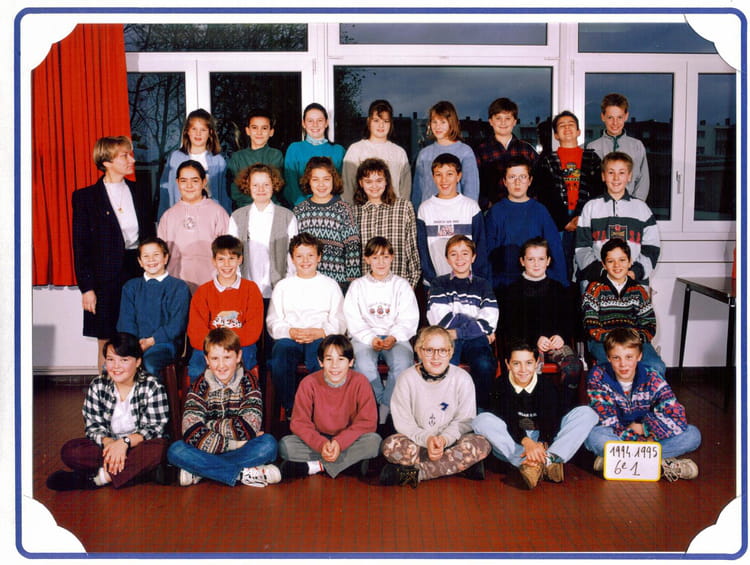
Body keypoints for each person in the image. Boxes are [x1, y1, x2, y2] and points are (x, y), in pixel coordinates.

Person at [72, 135, 156, 370]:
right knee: (106, 339)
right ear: (106, 161)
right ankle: (106, 387)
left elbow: (148, 236)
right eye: (125, 156)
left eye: (131, 154)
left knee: (135, 336)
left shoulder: (140, 191)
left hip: (136, 272)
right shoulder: (85, 197)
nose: (132, 160)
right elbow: (81, 246)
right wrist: (87, 288)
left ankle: (135, 387)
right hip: (103, 278)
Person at [46, 332, 169, 490]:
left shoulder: (152, 386)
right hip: (108, 446)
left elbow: (155, 429)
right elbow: (93, 426)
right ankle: (143, 471)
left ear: (138, 362)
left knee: (160, 449)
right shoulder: (98, 385)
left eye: (124, 360)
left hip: (139, 445)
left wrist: (124, 443)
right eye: (111, 359)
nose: (116, 366)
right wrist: (110, 443)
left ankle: (99, 478)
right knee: (70, 451)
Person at [472, 341, 598, 489]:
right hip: (514, 442)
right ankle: (537, 463)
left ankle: (546, 459)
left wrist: (541, 443)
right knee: (481, 420)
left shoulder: (546, 385)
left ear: (537, 363)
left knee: (587, 413)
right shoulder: (500, 385)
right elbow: (509, 420)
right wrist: (527, 442)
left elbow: (551, 421)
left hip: (543, 440)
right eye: (516, 363)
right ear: (507, 364)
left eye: (529, 363)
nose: (523, 369)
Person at [167, 328, 281, 487]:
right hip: (228, 447)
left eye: (227, 357)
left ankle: (200, 470)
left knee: (268, 445)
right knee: (176, 450)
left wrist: (207, 425)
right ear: (207, 360)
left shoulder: (249, 382)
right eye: (215, 358)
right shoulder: (200, 385)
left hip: (220, 449)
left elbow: (248, 428)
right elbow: (190, 430)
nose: (221, 365)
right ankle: (242, 474)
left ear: (238, 356)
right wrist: (234, 444)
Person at [379, 326, 491, 488]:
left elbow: (464, 421)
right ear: (419, 351)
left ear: (451, 352)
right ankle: (457, 465)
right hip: (418, 442)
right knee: (390, 446)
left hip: (451, 441)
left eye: (442, 351)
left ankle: (417, 473)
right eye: (429, 350)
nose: (436, 357)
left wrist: (444, 440)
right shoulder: (406, 378)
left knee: (481, 444)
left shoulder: (463, 378)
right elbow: (404, 423)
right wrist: (427, 439)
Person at [584, 328, 701, 482]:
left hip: (645, 435)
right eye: (616, 358)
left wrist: (645, 428)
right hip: (618, 434)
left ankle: (614, 460)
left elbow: (676, 415)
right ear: (608, 358)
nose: (623, 364)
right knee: (593, 436)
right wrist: (643, 443)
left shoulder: (652, 376)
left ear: (639, 356)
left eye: (629, 357)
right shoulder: (598, 377)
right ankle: (660, 463)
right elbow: (608, 422)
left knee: (692, 435)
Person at [278, 335, 382, 480]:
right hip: (319, 438)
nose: (334, 366)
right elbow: (299, 423)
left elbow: (367, 422)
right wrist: (321, 444)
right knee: (286, 445)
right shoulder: (308, 383)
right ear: (320, 362)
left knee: (374, 442)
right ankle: (349, 465)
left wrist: (339, 442)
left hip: (348, 440)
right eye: (329, 359)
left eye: (341, 359)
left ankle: (316, 466)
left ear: (351, 362)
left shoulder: (361, 382)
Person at [266, 233, 347, 416]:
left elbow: (340, 319)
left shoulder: (330, 285)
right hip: (290, 337)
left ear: (319, 257)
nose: (305, 261)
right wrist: (290, 331)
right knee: (281, 354)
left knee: (320, 357)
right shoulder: (283, 286)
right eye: (299, 256)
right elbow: (273, 320)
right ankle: (292, 408)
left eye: (310, 255)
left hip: (320, 336)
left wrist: (322, 332)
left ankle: (319, 407)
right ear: (292, 258)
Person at [500, 237, 582, 409]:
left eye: (541, 259)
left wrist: (561, 336)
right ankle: (526, 410)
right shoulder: (512, 291)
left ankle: (563, 409)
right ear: (522, 261)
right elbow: (509, 326)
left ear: (548, 261)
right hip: (524, 345)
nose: (536, 264)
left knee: (574, 366)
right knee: (527, 368)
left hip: (554, 345)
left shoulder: (559, 289)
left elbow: (569, 320)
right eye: (531, 259)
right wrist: (534, 339)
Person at [343, 237, 419, 421]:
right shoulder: (358, 286)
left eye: (385, 257)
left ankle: (385, 407)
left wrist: (394, 336)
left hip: (396, 338)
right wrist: (371, 338)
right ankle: (377, 404)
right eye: (375, 257)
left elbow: (408, 317)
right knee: (363, 364)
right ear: (367, 259)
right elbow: (353, 318)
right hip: (364, 338)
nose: (380, 262)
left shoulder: (401, 285)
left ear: (392, 257)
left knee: (403, 363)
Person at [426, 235, 498, 412]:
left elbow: (489, 318)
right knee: (446, 366)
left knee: (484, 364)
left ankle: (480, 410)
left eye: (465, 253)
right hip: (447, 339)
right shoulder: (439, 283)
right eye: (454, 254)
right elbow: (441, 319)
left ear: (473, 257)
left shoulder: (483, 285)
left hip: (473, 340)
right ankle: (444, 410)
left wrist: (459, 331)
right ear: (447, 258)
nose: (460, 258)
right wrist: (476, 325)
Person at [532, 110, 604, 281]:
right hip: (559, 222)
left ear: (579, 132)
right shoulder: (547, 160)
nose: (567, 128)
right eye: (561, 126)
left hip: (584, 219)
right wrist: (564, 221)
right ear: (556, 135)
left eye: (571, 125)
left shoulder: (592, 158)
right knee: (561, 265)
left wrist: (582, 216)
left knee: (587, 266)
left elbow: (599, 190)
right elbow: (545, 194)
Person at [582, 238, 666, 376]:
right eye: (611, 261)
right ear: (604, 264)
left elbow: (649, 324)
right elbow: (590, 324)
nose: (617, 265)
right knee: (614, 369)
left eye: (622, 260)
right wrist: (613, 340)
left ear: (630, 262)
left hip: (634, 341)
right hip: (603, 342)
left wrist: (633, 340)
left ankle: (642, 391)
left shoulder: (638, 290)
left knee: (656, 366)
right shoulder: (595, 289)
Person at [575, 151, 660, 287]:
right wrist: (602, 273)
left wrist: (634, 272)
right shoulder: (591, 207)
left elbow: (651, 248)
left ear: (629, 176)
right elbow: (582, 247)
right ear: (603, 176)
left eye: (621, 172)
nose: (616, 178)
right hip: (597, 282)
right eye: (611, 172)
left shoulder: (642, 209)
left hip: (633, 282)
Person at [186, 235, 264, 381]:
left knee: (243, 368)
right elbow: (196, 332)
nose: (226, 264)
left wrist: (227, 346)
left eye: (232, 258)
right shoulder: (203, 292)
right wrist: (217, 349)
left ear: (240, 260)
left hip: (241, 345)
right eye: (221, 259)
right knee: (196, 369)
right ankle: (200, 397)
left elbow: (253, 331)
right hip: (209, 347)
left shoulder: (251, 289)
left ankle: (244, 396)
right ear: (214, 261)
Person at [485, 156, 568, 290]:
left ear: (530, 181)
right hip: (504, 283)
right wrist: (488, 286)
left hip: (537, 281)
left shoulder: (540, 210)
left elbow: (555, 249)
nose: (517, 182)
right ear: (504, 181)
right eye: (512, 177)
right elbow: (487, 253)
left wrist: (561, 284)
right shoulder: (495, 212)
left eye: (522, 177)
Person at [116, 237, 191, 378]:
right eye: (146, 256)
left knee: (149, 364)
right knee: (111, 366)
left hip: (165, 344)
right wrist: (134, 344)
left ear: (166, 258)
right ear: (140, 261)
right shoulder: (131, 287)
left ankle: (156, 393)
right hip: (134, 344)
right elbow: (126, 322)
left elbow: (177, 325)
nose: (151, 260)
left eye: (156, 255)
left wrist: (151, 341)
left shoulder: (178, 287)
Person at [228, 163, 298, 302]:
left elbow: (292, 254)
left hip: (278, 289)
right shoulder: (237, 216)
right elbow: (231, 254)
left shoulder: (287, 216)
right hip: (246, 288)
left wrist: (287, 285)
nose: (261, 189)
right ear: (248, 186)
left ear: (274, 185)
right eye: (255, 185)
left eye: (266, 184)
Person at [157, 160, 230, 293]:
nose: (189, 185)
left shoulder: (218, 212)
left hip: (211, 284)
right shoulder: (168, 216)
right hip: (177, 286)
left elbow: (228, 253)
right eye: (183, 181)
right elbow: (161, 254)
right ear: (177, 182)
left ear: (204, 182)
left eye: (195, 180)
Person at [416, 153, 488, 287]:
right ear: (433, 177)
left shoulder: (471, 207)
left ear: (459, 176)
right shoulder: (425, 209)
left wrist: (477, 280)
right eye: (438, 174)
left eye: (449, 174)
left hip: (467, 282)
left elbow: (480, 246)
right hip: (435, 283)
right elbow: (422, 250)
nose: (444, 180)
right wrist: (432, 279)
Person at [293, 156, 361, 292]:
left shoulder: (343, 209)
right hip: (307, 282)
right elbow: (294, 250)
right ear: (308, 181)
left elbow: (352, 248)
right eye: (315, 179)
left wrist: (351, 284)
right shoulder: (299, 211)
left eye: (326, 179)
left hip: (338, 283)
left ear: (333, 180)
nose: (321, 184)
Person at [352, 158, 420, 287]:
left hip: (399, 284)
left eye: (379, 180)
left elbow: (412, 249)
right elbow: (353, 255)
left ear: (386, 181)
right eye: (368, 182)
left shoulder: (404, 207)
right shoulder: (354, 212)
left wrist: (410, 285)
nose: (374, 186)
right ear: (361, 183)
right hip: (366, 286)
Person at [158, 108, 229, 218]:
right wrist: (162, 218)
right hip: (181, 216)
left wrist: (227, 219)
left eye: (203, 130)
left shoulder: (218, 161)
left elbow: (224, 195)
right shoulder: (175, 158)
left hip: (209, 217)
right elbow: (165, 190)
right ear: (187, 131)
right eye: (194, 129)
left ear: (210, 132)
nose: (198, 134)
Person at [411, 100, 480, 209]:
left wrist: (469, 214)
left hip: (456, 214)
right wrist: (417, 213)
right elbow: (417, 191)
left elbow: (471, 191)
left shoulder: (465, 152)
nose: (438, 126)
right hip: (429, 214)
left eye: (443, 122)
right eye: (434, 122)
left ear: (451, 123)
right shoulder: (424, 154)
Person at [342, 99, 412, 203]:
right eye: (376, 120)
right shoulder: (356, 150)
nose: (381, 125)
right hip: (362, 210)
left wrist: (402, 210)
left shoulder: (399, 153)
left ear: (391, 123)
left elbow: (405, 189)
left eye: (386, 121)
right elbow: (347, 188)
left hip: (393, 211)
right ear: (368, 121)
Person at [475, 97, 539, 210]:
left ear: (514, 122)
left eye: (508, 118)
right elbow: (472, 183)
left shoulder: (527, 149)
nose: (503, 122)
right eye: (498, 118)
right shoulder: (481, 150)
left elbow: (539, 181)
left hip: (524, 209)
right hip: (492, 210)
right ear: (491, 121)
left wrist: (531, 202)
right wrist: (486, 204)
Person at [586, 93, 650, 202]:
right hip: (601, 206)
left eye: (619, 117)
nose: (615, 123)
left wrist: (636, 205)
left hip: (631, 206)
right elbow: (590, 183)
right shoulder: (592, 147)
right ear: (603, 117)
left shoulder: (637, 146)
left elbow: (643, 181)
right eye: (610, 117)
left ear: (626, 116)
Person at [283, 102, 346, 208]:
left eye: (319, 120)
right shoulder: (294, 149)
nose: (315, 125)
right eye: (310, 121)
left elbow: (342, 184)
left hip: (332, 208)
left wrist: (331, 206)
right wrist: (305, 206)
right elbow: (290, 184)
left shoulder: (338, 150)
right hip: (301, 208)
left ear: (326, 123)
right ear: (303, 123)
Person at [226, 108, 285, 209]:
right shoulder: (237, 157)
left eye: (264, 128)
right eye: (254, 128)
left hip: (271, 209)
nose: (259, 132)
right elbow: (235, 192)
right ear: (248, 130)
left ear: (271, 132)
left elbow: (275, 188)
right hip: (244, 209)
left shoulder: (275, 155)